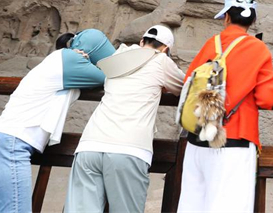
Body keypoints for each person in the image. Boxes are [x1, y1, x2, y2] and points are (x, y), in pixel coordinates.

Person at [0, 29, 114, 213]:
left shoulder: (60, 59)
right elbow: (110, 76)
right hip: (12, 147)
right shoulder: (70, 59)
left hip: (1, 144)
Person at [177, 0, 273, 213]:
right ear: (252, 20)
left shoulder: (211, 43)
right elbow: (267, 99)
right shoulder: (258, 48)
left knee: (191, 206)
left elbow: (188, 83)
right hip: (235, 140)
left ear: (226, 17)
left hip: (197, 139)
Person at [65, 26, 185, 213]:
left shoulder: (116, 58)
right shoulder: (161, 60)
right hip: (129, 149)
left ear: (141, 42)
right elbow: (184, 86)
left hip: (89, 146)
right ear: (165, 49)